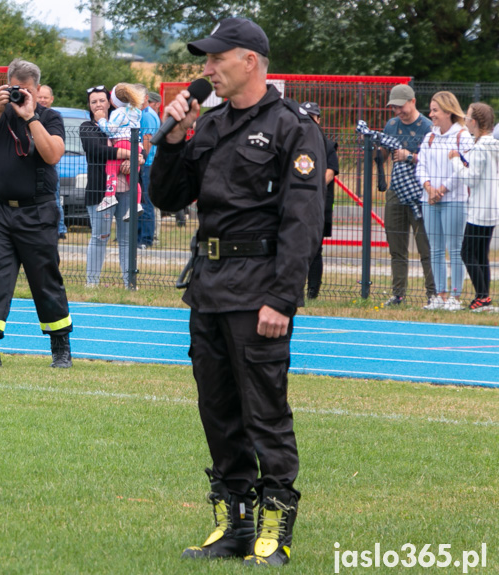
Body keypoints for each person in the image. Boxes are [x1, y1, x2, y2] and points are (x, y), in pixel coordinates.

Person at [150, 18, 326, 566]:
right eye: (205, 61)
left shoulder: (292, 126)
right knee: (218, 409)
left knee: (264, 409)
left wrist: (283, 298)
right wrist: (174, 138)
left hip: (258, 291)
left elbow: (303, 220)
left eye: (215, 59)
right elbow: (167, 197)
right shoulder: (210, 123)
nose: (205, 70)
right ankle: (233, 523)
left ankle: (276, 524)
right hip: (208, 286)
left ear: (249, 60)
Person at [0, 59, 72, 369]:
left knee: (45, 280)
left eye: (28, 90)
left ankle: (61, 347)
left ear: (38, 90)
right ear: (7, 86)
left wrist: (31, 116)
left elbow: (52, 154)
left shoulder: (50, 117)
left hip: (37, 211)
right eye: (16, 89)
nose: (22, 96)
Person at [415, 91, 473, 311]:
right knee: (436, 249)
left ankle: (455, 297)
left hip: (454, 200)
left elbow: (464, 167)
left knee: (454, 248)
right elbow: (421, 165)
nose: (431, 114)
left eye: (435, 110)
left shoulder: (462, 136)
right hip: (429, 199)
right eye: (431, 110)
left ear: (448, 111)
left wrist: (442, 189)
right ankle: (440, 294)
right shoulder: (430, 135)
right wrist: (429, 187)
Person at [81, 85, 143, 287]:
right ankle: (92, 284)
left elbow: (139, 145)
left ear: (110, 102)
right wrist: (130, 154)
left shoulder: (123, 122)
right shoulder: (87, 127)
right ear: (89, 106)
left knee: (126, 239)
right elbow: (97, 151)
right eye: (93, 102)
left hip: (127, 190)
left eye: (102, 100)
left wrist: (135, 160)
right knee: (100, 237)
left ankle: (129, 283)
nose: (98, 104)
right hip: (100, 192)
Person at [380, 84, 436, 307]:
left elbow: (433, 161)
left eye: (400, 106)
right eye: (394, 107)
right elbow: (383, 153)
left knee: (426, 246)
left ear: (412, 102)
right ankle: (398, 294)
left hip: (421, 192)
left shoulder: (428, 127)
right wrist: (375, 148)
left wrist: (410, 157)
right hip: (395, 191)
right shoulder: (391, 125)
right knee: (396, 246)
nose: (397, 112)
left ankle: (433, 294)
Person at [449, 102, 499, 312]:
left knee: (467, 253)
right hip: (491, 208)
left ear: (475, 122)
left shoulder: (480, 147)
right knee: (480, 254)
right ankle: (483, 298)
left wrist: (455, 161)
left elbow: (471, 179)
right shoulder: (493, 144)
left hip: (479, 209)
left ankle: (483, 297)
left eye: (468, 118)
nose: (466, 121)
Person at [301, 102, 339, 299]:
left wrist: (309, 189)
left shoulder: (327, 144)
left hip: (317, 204)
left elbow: (330, 173)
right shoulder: (294, 141)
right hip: (296, 205)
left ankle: (312, 293)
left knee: (315, 250)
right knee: (294, 249)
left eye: (312, 117)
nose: (309, 121)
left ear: (319, 119)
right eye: (305, 117)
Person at [95, 82, 143, 222]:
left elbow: (110, 129)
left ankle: (109, 196)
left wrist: (101, 120)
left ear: (115, 100)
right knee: (132, 177)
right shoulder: (137, 111)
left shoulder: (118, 113)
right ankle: (136, 204)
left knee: (111, 169)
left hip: (121, 142)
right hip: (135, 144)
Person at [36, 84, 67, 238]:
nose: (42, 100)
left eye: (45, 97)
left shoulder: (53, 117)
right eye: (40, 97)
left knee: (54, 195)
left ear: (51, 99)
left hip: (50, 163)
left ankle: (60, 229)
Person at [138, 86, 160, 249]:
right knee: (141, 200)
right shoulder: (144, 114)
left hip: (146, 164)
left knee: (145, 201)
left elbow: (148, 140)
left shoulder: (147, 116)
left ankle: (146, 239)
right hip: (145, 163)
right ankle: (140, 236)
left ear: (146, 98)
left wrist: (142, 159)